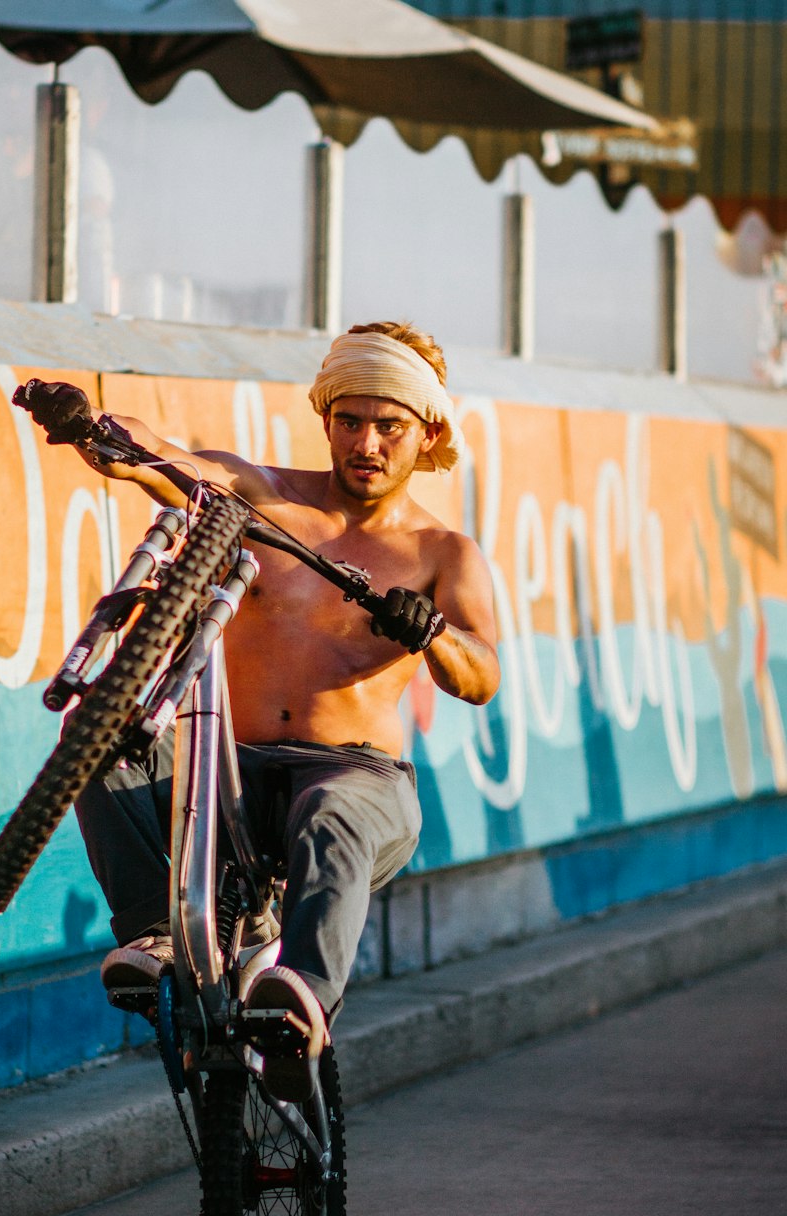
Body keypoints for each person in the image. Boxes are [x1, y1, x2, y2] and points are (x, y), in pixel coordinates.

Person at [27, 322, 501, 1100]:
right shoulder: (263, 498)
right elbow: (168, 458)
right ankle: (156, 936)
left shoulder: (441, 553)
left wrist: (434, 634)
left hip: (357, 779)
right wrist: (93, 428)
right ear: (325, 420)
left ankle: (301, 1000)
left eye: (390, 426)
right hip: (226, 775)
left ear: (428, 432)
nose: (368, 443)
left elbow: (481, 675)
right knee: (101, 729)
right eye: (350, 420)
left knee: (332, 813)